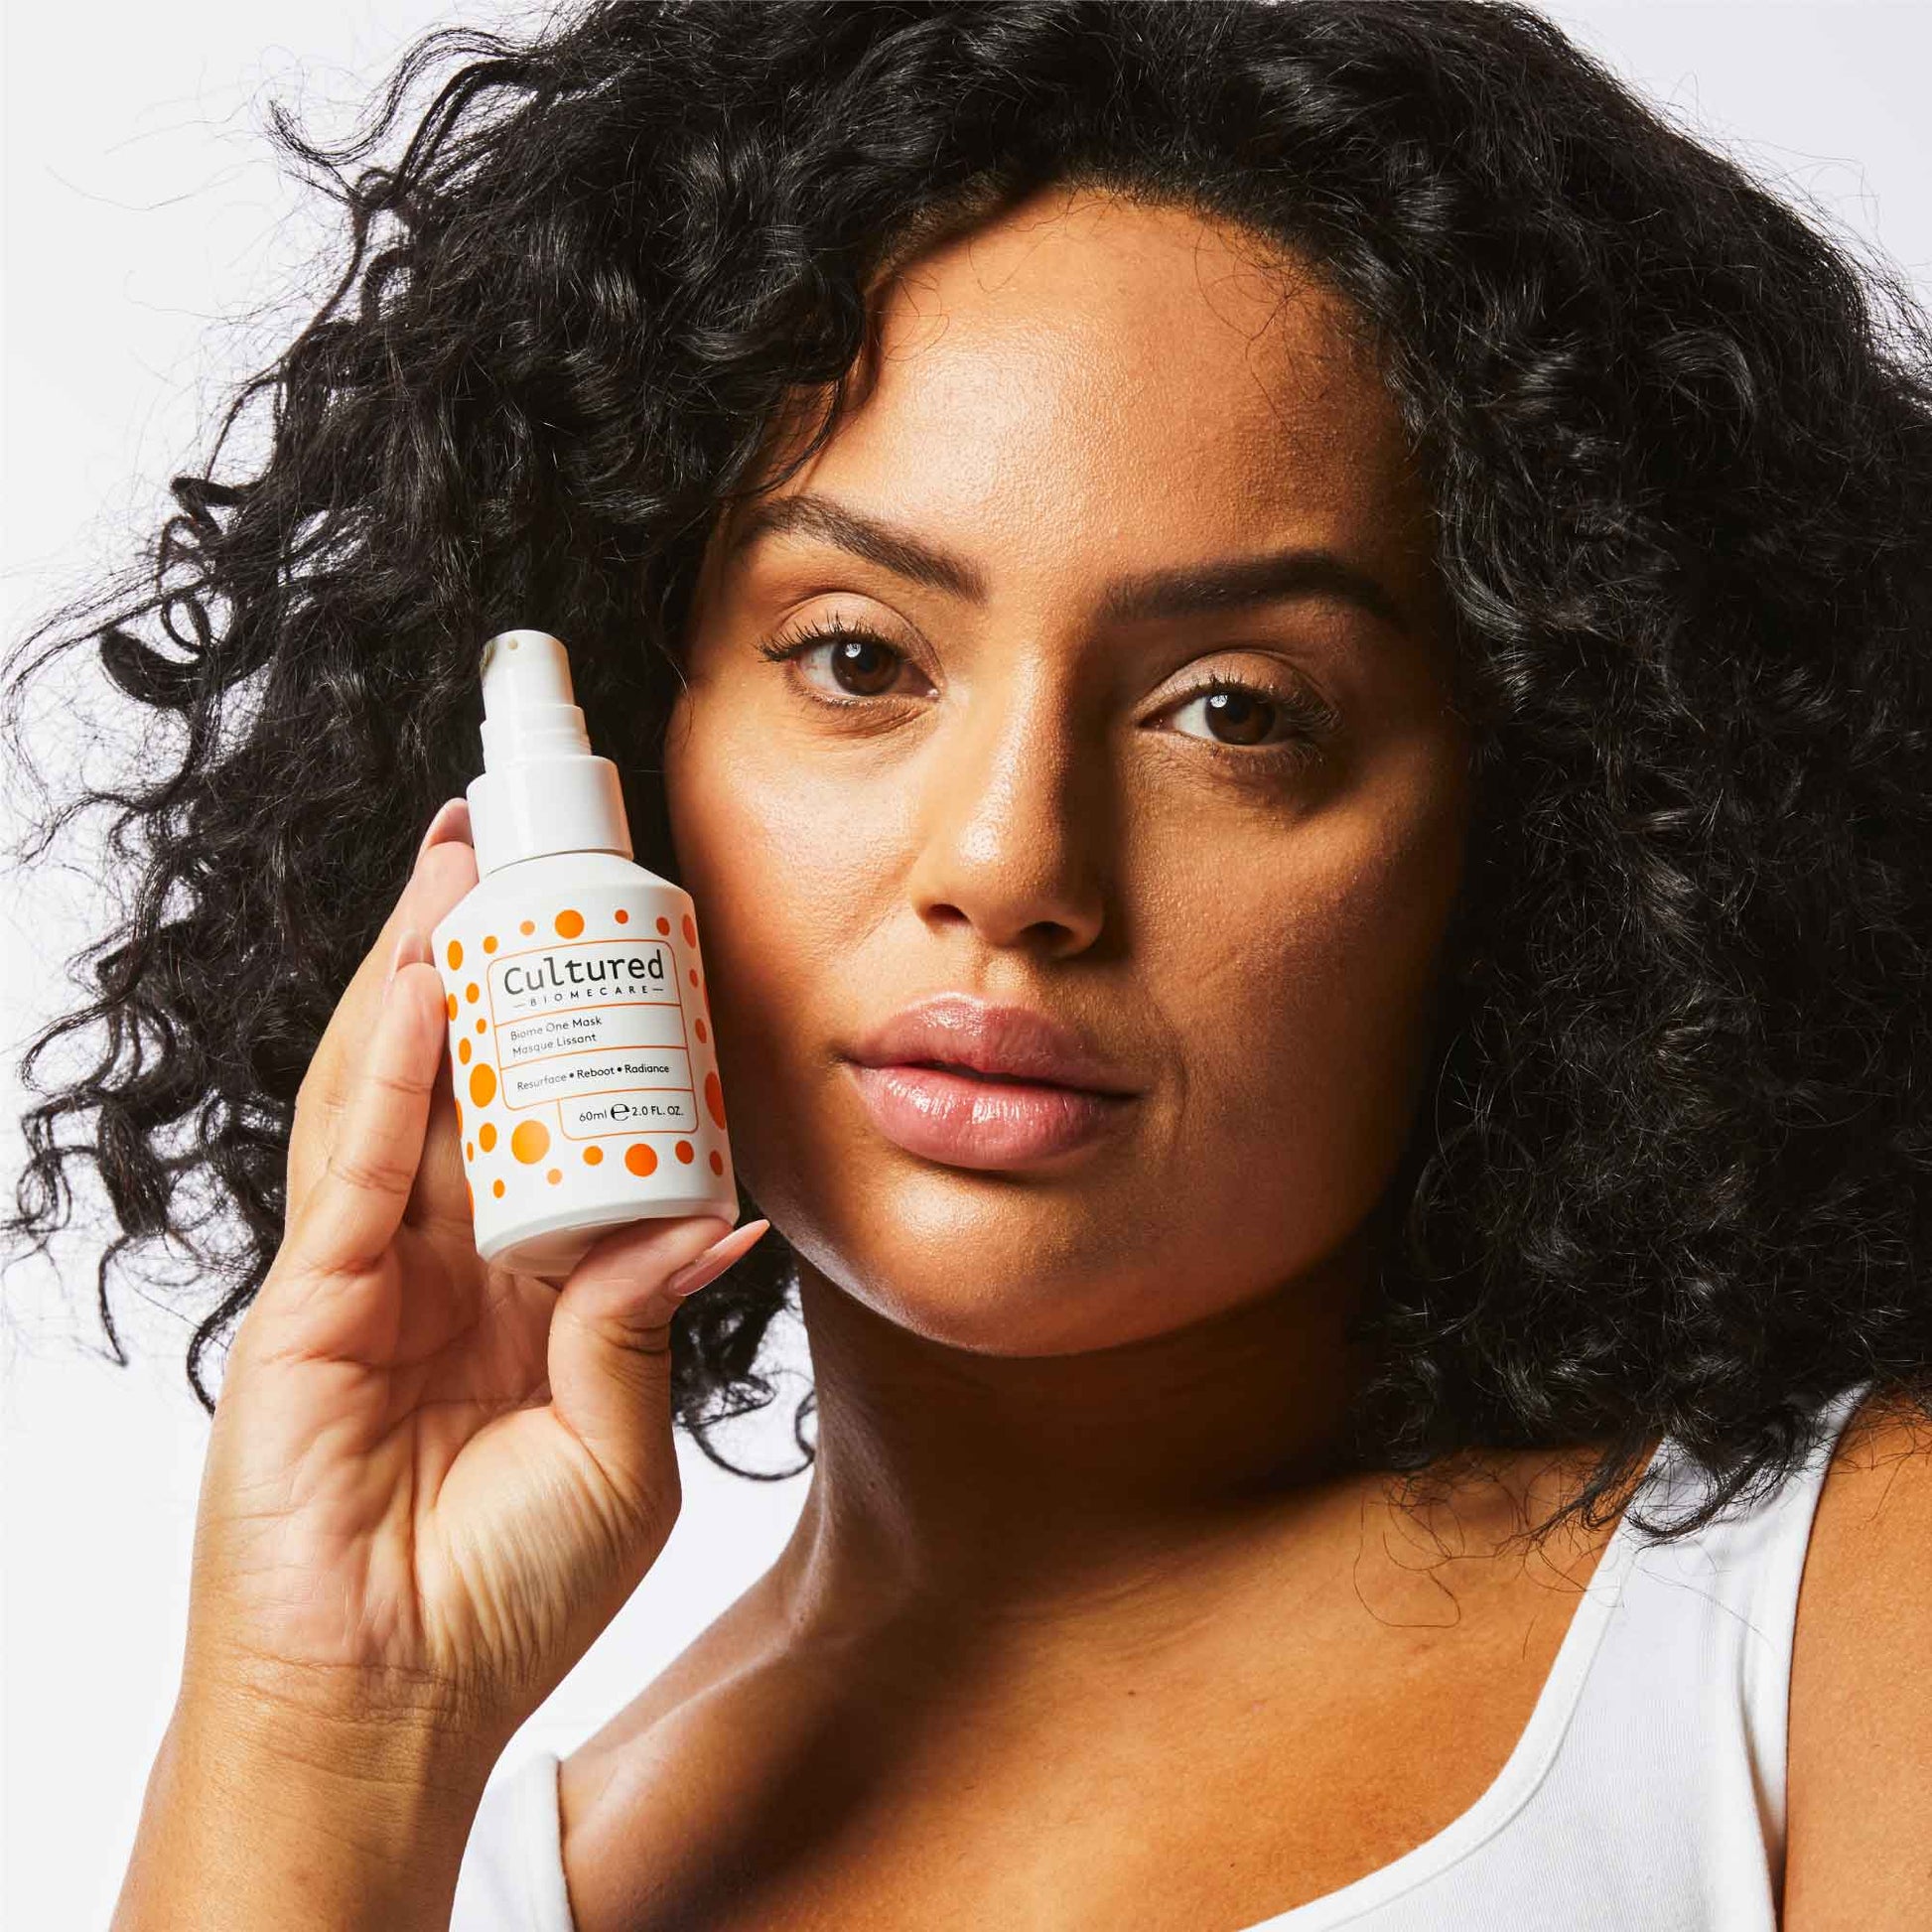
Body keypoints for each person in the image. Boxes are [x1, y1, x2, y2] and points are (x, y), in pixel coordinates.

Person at [6, 2, 1930, 1926]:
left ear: (1560, 822)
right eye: (856, 657)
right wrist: (325, 1722)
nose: (1010, 863)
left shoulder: (1831, 1608)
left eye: (1234, 710)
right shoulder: (454, 1867)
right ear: (620, 763)